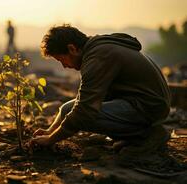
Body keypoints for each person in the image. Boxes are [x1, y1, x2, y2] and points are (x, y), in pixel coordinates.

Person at [31, 24, 171, 155]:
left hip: (148, 107)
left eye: (62, 60)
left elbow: (84, 111)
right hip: (135, 101)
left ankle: (147, 135)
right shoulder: (96, 48)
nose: (64, 67)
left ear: (72, 49)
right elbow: (80, 103)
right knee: (67, 109)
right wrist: (49, 132)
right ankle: (135, 134)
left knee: (85, 116)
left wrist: (51, 140)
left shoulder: (99, 57)